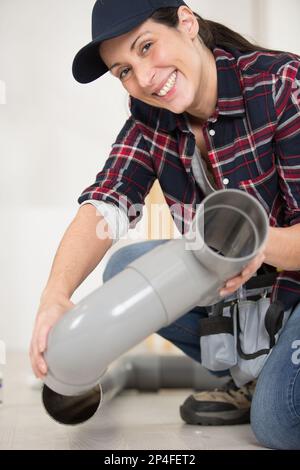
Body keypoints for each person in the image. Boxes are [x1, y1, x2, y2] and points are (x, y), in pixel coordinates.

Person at [30, 0, 300, 449]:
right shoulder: (150, 119)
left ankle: (271, 377)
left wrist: (253, 244)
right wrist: (55, 295)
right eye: (124, 71)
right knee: (126, 269)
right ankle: (257, 372)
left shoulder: (283, 86)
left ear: (187, 23)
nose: (144, 78)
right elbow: (106, 202)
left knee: (277, 425)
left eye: (147, 46)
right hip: (248, 292)